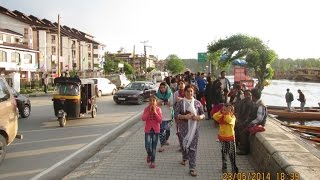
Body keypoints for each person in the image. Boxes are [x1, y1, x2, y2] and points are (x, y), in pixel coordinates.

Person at [174, 85, 205, 177]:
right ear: (185, 92)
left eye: (191, 91)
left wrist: (199, 117)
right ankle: (185, 157)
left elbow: (203, 114)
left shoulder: (198, 103)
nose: (189, 93)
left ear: (194, 92)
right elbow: (176, 114)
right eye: (187, 91)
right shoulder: (180, 103)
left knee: (192, 148)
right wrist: (184, 117)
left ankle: (192, 168)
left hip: (194, 130)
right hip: (183, 129)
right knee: (184, 146)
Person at [237, 88, 267, 155]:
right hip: (254, 122)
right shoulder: (256, 103)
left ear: (254, 96)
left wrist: (251, 123)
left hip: (259, 124)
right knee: (239, 126)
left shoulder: (261, 105)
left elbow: (259, 119)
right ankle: (241, 145)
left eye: (251, 95)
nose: (250, 97)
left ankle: (244, 150)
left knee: (244, 132)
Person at [213, 104, 238, 173]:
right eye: (223, 110)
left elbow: (228, 120)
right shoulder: (221, 116)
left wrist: (226, 113)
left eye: (227, 110)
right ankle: (224, 167)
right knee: (224, 153)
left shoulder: (233, 118)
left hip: (230, 139)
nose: (225, 111)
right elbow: (214, 116)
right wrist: (220, 111)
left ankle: (234, 169)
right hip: (223, 139)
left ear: (232, 111)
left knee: (232, 155)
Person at [141, 96, 163, 168]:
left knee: (154, 147)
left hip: (156, 130)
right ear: (148, 102)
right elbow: (143, 119)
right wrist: (149, 111)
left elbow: (160, 120)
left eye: (154, 101)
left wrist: (155, 112)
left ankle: (152, 161)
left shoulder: (158, 109)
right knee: (147, 145)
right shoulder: (146, 109)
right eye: (150, 101)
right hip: (148, 130)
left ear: (156, 102)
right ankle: (149, 154)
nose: (152, 102)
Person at [155, 82, 173, 152]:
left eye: (164, 88)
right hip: (160, 115)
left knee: (167, 130)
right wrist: (164, 102)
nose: (162, 89)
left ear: (166, 88)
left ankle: (166, 139)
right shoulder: (157, 95)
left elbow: (171, 103)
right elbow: (156, 103)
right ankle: (161, 145)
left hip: (168, 115)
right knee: (161, 131)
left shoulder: (170, 94)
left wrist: (162, 102)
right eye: (161, 88)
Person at [173, 80, 186, 152]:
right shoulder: (176, 93)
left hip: (186, 114)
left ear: (185, 84)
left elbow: (190, 101)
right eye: (179, 84)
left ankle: (185, 144)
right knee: (179, 130)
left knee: (185, 130)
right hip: (178, 114)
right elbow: (173, 103)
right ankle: (181, 144)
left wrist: (182, 99)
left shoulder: (188, 92)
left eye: (182, 83)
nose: (181, 85)